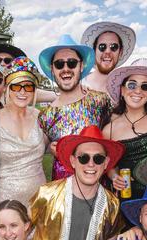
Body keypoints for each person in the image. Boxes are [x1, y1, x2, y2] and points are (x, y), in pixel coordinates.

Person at [0, 57, 47, 223]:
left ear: (34, 90)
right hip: (6, 201)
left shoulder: (41, 117)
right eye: (16, 86)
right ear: (8, 88)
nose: (22, 92)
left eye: (28, 86)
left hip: (39, 200)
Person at [37, 34, 111, 180]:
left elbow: (114, 143)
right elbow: (34, 154)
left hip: (98, 189)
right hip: (62, 192)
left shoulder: (100, 101)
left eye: (71, 63)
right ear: (52, 69)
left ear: (81, 65)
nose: (66, 69)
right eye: (59, 64)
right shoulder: (46, 116)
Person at [103, 58, 147, 201]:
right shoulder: (109, 130)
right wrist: (115, 177)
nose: (138, 91)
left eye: (145, 86)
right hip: (128, 198)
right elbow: (110, 165)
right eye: (131, 85)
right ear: (122, 90)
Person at [80, 21, 136, 92]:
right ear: (94, 51)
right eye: (102, 47)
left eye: (114, 47)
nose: (107, 52)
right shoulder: (77, 85)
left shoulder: (123, 93)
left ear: (120, 53)